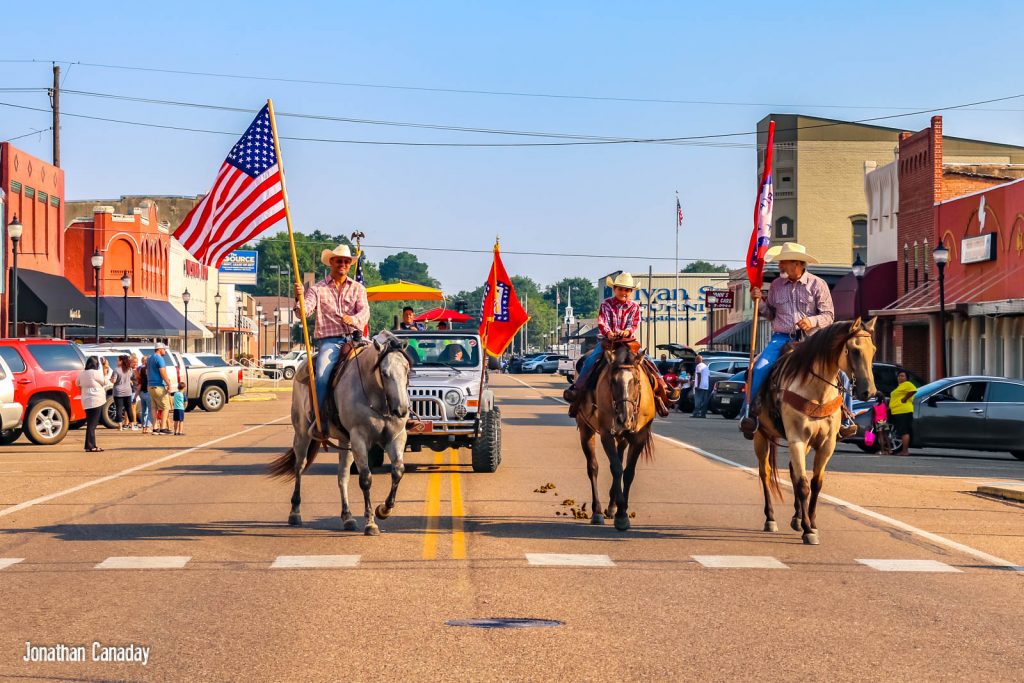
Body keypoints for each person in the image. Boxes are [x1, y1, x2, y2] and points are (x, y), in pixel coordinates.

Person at [738, 243, 844, 439]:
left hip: (813, 340)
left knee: (841, 373)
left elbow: (829, 316)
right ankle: (750, 413)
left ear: (797, 263)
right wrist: (758, 302)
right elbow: (770, 313)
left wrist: (811, 320)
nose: (780, 266)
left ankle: (844, 416)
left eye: (783, 262)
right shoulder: (777, 285)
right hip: (781, 338)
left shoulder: (817, 284)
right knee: (758, 368)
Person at [563, 272, 678, 418]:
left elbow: (634, 324)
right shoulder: (606, 304)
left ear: (631, 292)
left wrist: (626, 332)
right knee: (591, 360)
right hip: (608, 342)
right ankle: (577, 389)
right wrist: (609, 332)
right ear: (615, 289)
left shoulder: (634, 307)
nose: (624, 292)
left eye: (627, 290)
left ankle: (664, 390)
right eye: (621, 289)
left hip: (628, 342)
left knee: (648, 361)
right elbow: (602, 321)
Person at [294, 244, 370, 438]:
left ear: (350, 264)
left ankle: (390, 413)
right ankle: (319, 418)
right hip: (331, 341)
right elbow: (304, 312)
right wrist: (299, 298)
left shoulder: (358, 288)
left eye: (346, 261)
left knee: (382, 365)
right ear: (331, 263)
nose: (343, 264)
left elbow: (365, 312)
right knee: (321, 374)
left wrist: (353, 320)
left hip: (357, 339)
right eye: (339, 261)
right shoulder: (318, 289)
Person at [76, 357, 107, 452]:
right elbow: (105, 382)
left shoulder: (82, 373)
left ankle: (89, 445)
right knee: (92, 425)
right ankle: (91, 446)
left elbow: (77, 384)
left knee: (90, 423)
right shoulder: (95, 373)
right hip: (96, 400)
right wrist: (105, 370)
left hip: (86, 400)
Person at [888, 370, 917, 455]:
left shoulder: (907, 384)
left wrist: (905, 399)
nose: (900, 377)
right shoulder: (900, 386)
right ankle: (903, 450)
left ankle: (905, 451)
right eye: (899, 376)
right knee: (901, 431)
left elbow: (913, 390)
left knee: (904, 431)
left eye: (902, 376)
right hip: (897, 412)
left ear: (907, 378)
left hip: (904, 411)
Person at [148, 343, 173, 435]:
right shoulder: (159, 358)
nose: (165, 351)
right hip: (158, 385)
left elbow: (148, 371)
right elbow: (162, 372)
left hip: (150, 385)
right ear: (159, 349)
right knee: (166, 407)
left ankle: (155, 428)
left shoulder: (150, 358)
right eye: (164, 349)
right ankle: (162, 428)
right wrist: (169, 384)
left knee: (154, 407)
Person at [111, 355, 134, 431]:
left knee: (119, 408)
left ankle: (120, 426)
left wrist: (110, 379)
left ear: (121, 361)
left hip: (118, 391)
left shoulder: (116, 370)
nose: (116, 361)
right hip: (128, 391)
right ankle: (132, 425)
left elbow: (114, 381)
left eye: (118, 360)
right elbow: (129, 378)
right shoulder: (129, 369)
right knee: (129, 408)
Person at [137, 356, 151, 434]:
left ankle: (144, 427)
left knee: (144, 411)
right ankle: (148, 426)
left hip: (142, 391)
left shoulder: (141, 369)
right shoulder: (150, 370)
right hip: (148, 392)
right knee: (149, 410)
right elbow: (149, 381)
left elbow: (139, 381)